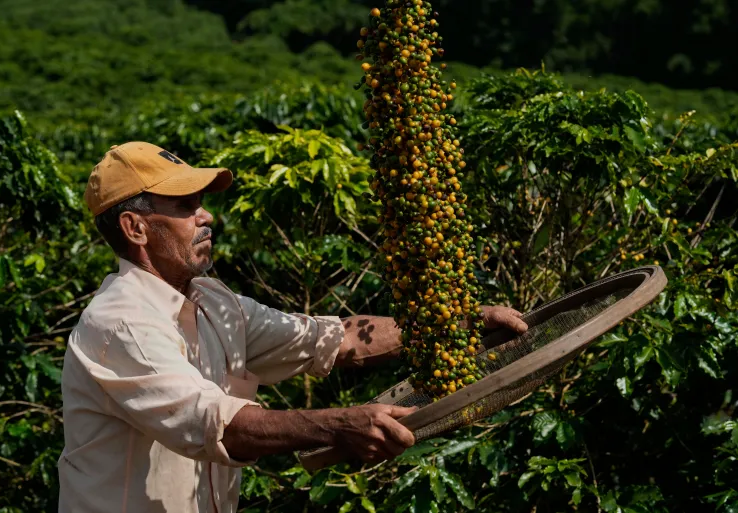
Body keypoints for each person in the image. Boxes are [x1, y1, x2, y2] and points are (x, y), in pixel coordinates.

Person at [57, 142, 528, 513]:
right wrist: (342, 423)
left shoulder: (214, 302)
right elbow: (218, 425)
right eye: (185, 205)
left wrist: (459, 322)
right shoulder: (120, 323)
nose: (206, 216)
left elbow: (335, 338)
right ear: (135, 228)